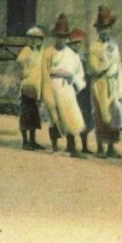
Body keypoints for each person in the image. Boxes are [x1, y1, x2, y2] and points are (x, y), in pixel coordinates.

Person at [41, 13, 86, 158]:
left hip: (67, 88)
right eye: (59, 37)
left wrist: (76, 85)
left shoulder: (72, 55)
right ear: (55, 37)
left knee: (70, 116)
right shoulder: (48, 52)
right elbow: (44, 73)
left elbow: (79, 72)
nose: (61, 40)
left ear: (67, 38)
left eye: (64, 37)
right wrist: (46, 92)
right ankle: (55, 147)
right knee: (54, 118)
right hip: (53, 86)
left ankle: (72, 148)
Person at [87, 6, 122, 159]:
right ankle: (100, 147)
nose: (105, 31)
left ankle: (111, 146)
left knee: (113, 115)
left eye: (108, 28)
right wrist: (105, 61)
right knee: (100, 113)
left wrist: (120, 87)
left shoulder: (114, 45)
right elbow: (93, 68)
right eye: (102, 28)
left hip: (112, 83)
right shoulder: (94, 47)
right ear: (98, 30)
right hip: (100, 83)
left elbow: (118, 67)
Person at [16, 27, 45, 151]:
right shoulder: (26, 50)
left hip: (37, 85)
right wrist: (25, 71)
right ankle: (25, 141)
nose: (35, 41)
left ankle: (33, 140)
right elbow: (20, 61)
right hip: (27, 84)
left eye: (37, 39)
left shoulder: (41, 52)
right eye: (33, 39)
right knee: (26, 113)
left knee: (34, 114)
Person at [69, 28, 96, 154]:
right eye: (74, 44)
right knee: (72, 117)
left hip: (84, 91)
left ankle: (84, 145)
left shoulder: (82, 57)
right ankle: (71, 144)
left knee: (85, 117)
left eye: (78, 44)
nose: (77, 46)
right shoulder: (68, 56)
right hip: (73, 90)